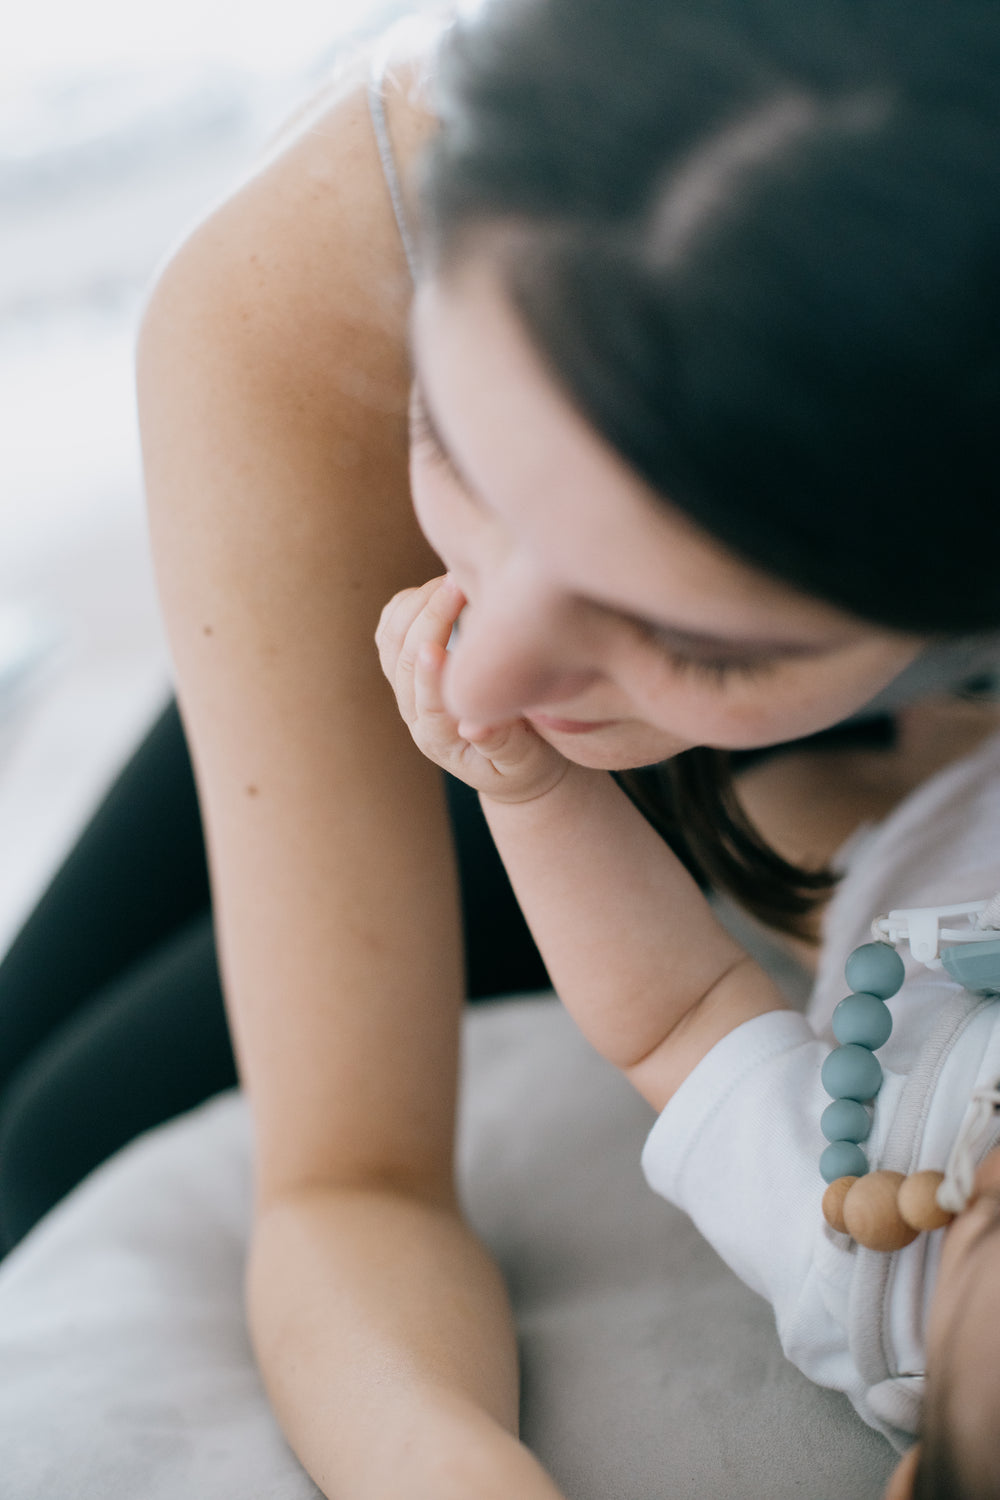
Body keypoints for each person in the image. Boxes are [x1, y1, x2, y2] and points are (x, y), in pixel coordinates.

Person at [3, 0, 1000, 1495]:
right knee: (40, 1128)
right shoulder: (314, 299)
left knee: (58, 1141)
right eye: (457, 449)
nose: (487, 676)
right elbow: (350, 1178)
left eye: (696, 631)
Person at [378, 566, 1000, 1494]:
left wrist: (529, 795)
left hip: (882, 816)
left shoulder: (860, 1273)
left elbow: (680, 1014)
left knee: (783, 811)